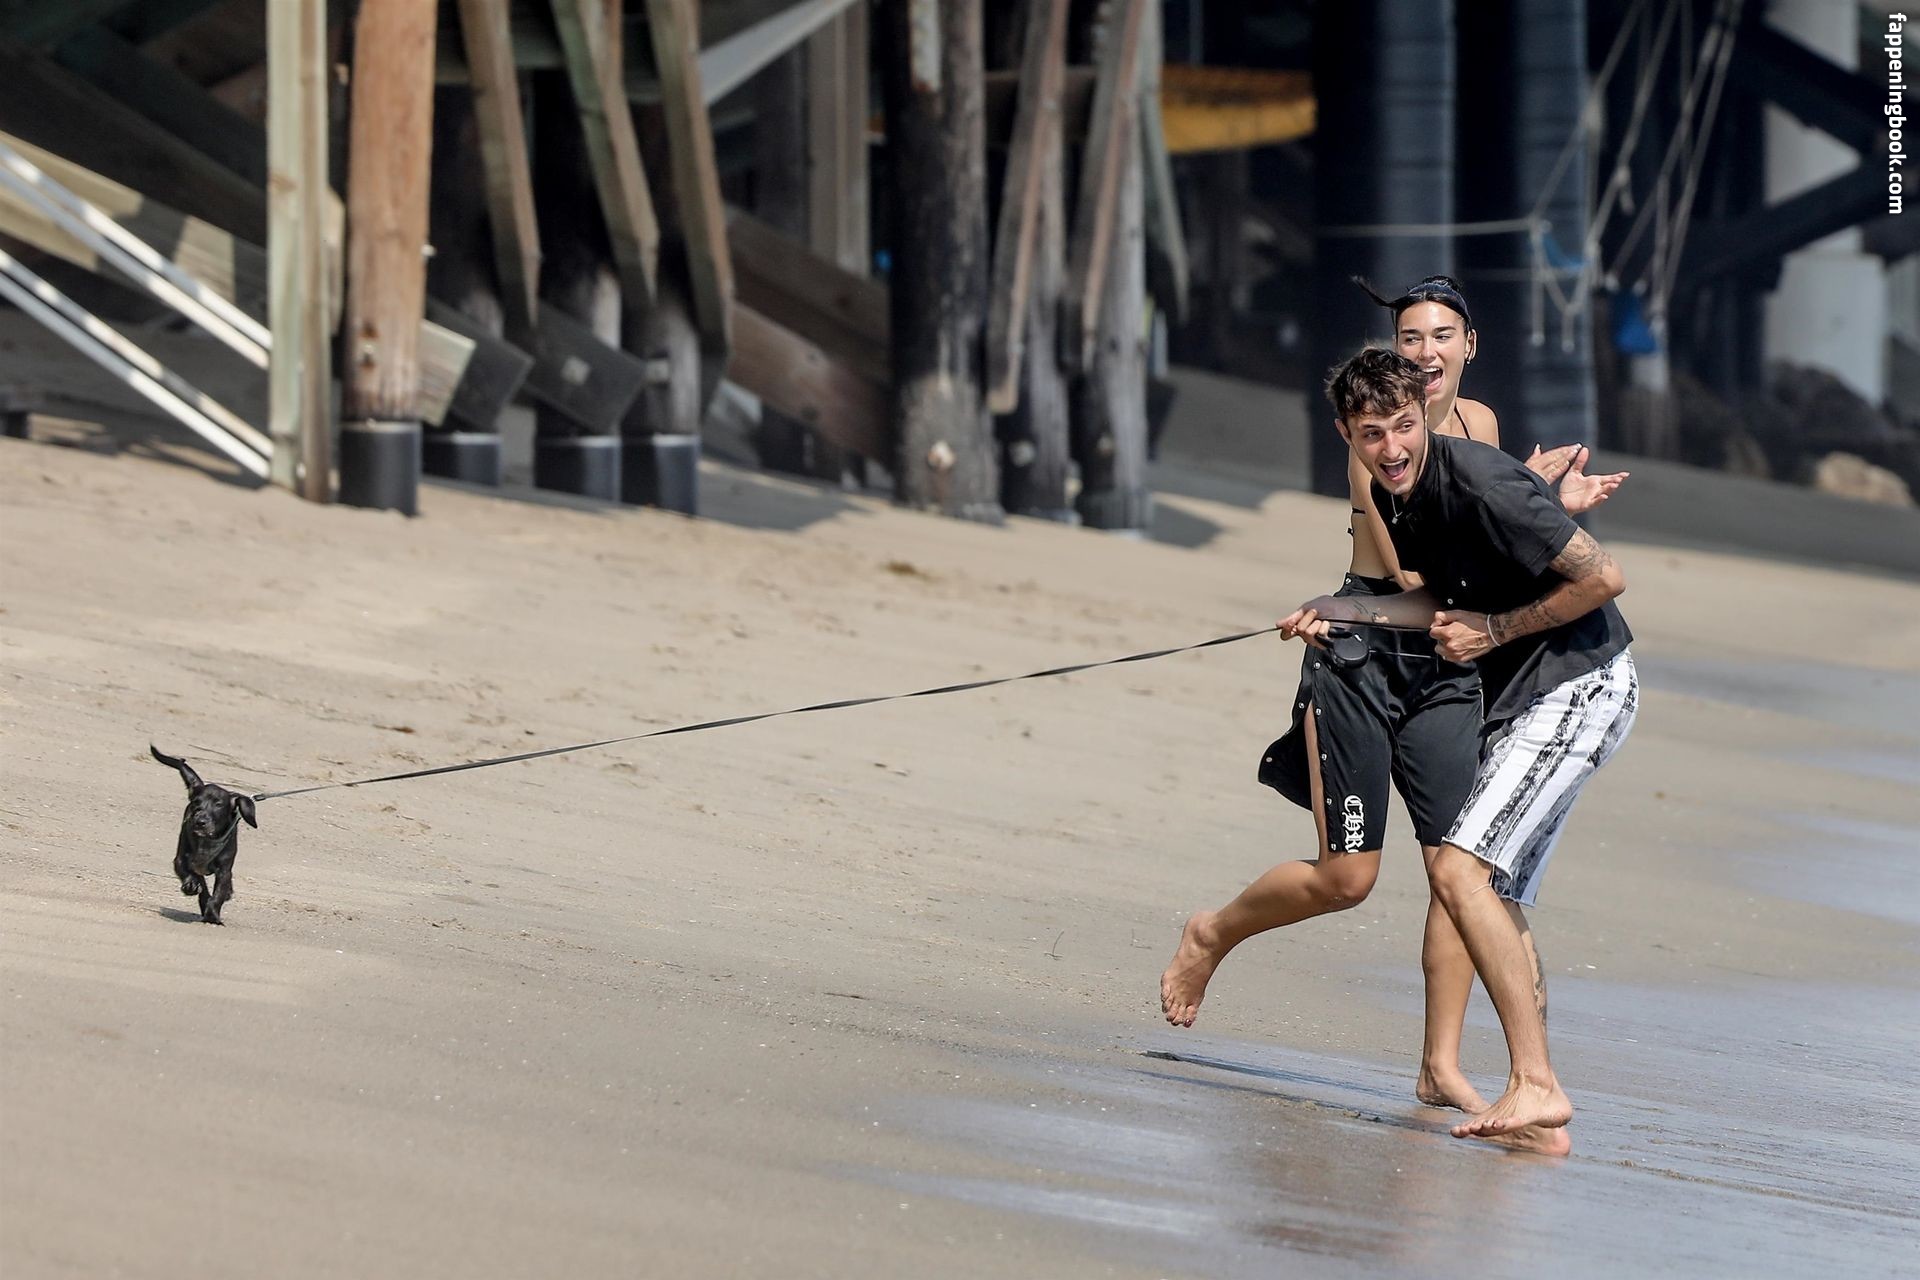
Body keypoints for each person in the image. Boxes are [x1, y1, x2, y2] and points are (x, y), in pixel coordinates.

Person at [1158, 277, 1623, 1127]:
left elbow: (1485, 532)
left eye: (1441, 336)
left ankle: (1441, 1066)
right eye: (1410, 338)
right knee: (1349, 879)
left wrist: (1534, 504)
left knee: (1459, 866)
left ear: (1468, 347)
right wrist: (1528, 505)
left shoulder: (1478, 427)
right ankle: (1213, 932)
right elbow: (1419, 575)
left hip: (1448, 661)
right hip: (1372, 646)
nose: (1426, 351)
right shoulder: (1377, 445)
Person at [1283, 346, 1637, 1144]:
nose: (1392, 447)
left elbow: (1604, 578)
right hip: (1532, 700)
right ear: (1347, 434)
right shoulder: (1397, 495)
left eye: (1403, 426)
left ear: (1425, 415)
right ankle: (1535, 1111)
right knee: (1486, 888)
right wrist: (1342, 610)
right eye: (1372, 433)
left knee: (1457, 870)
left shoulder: (1477, 480)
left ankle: (1537, 1083)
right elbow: (1438, 604)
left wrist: (1496, 631)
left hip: (1580, 685)